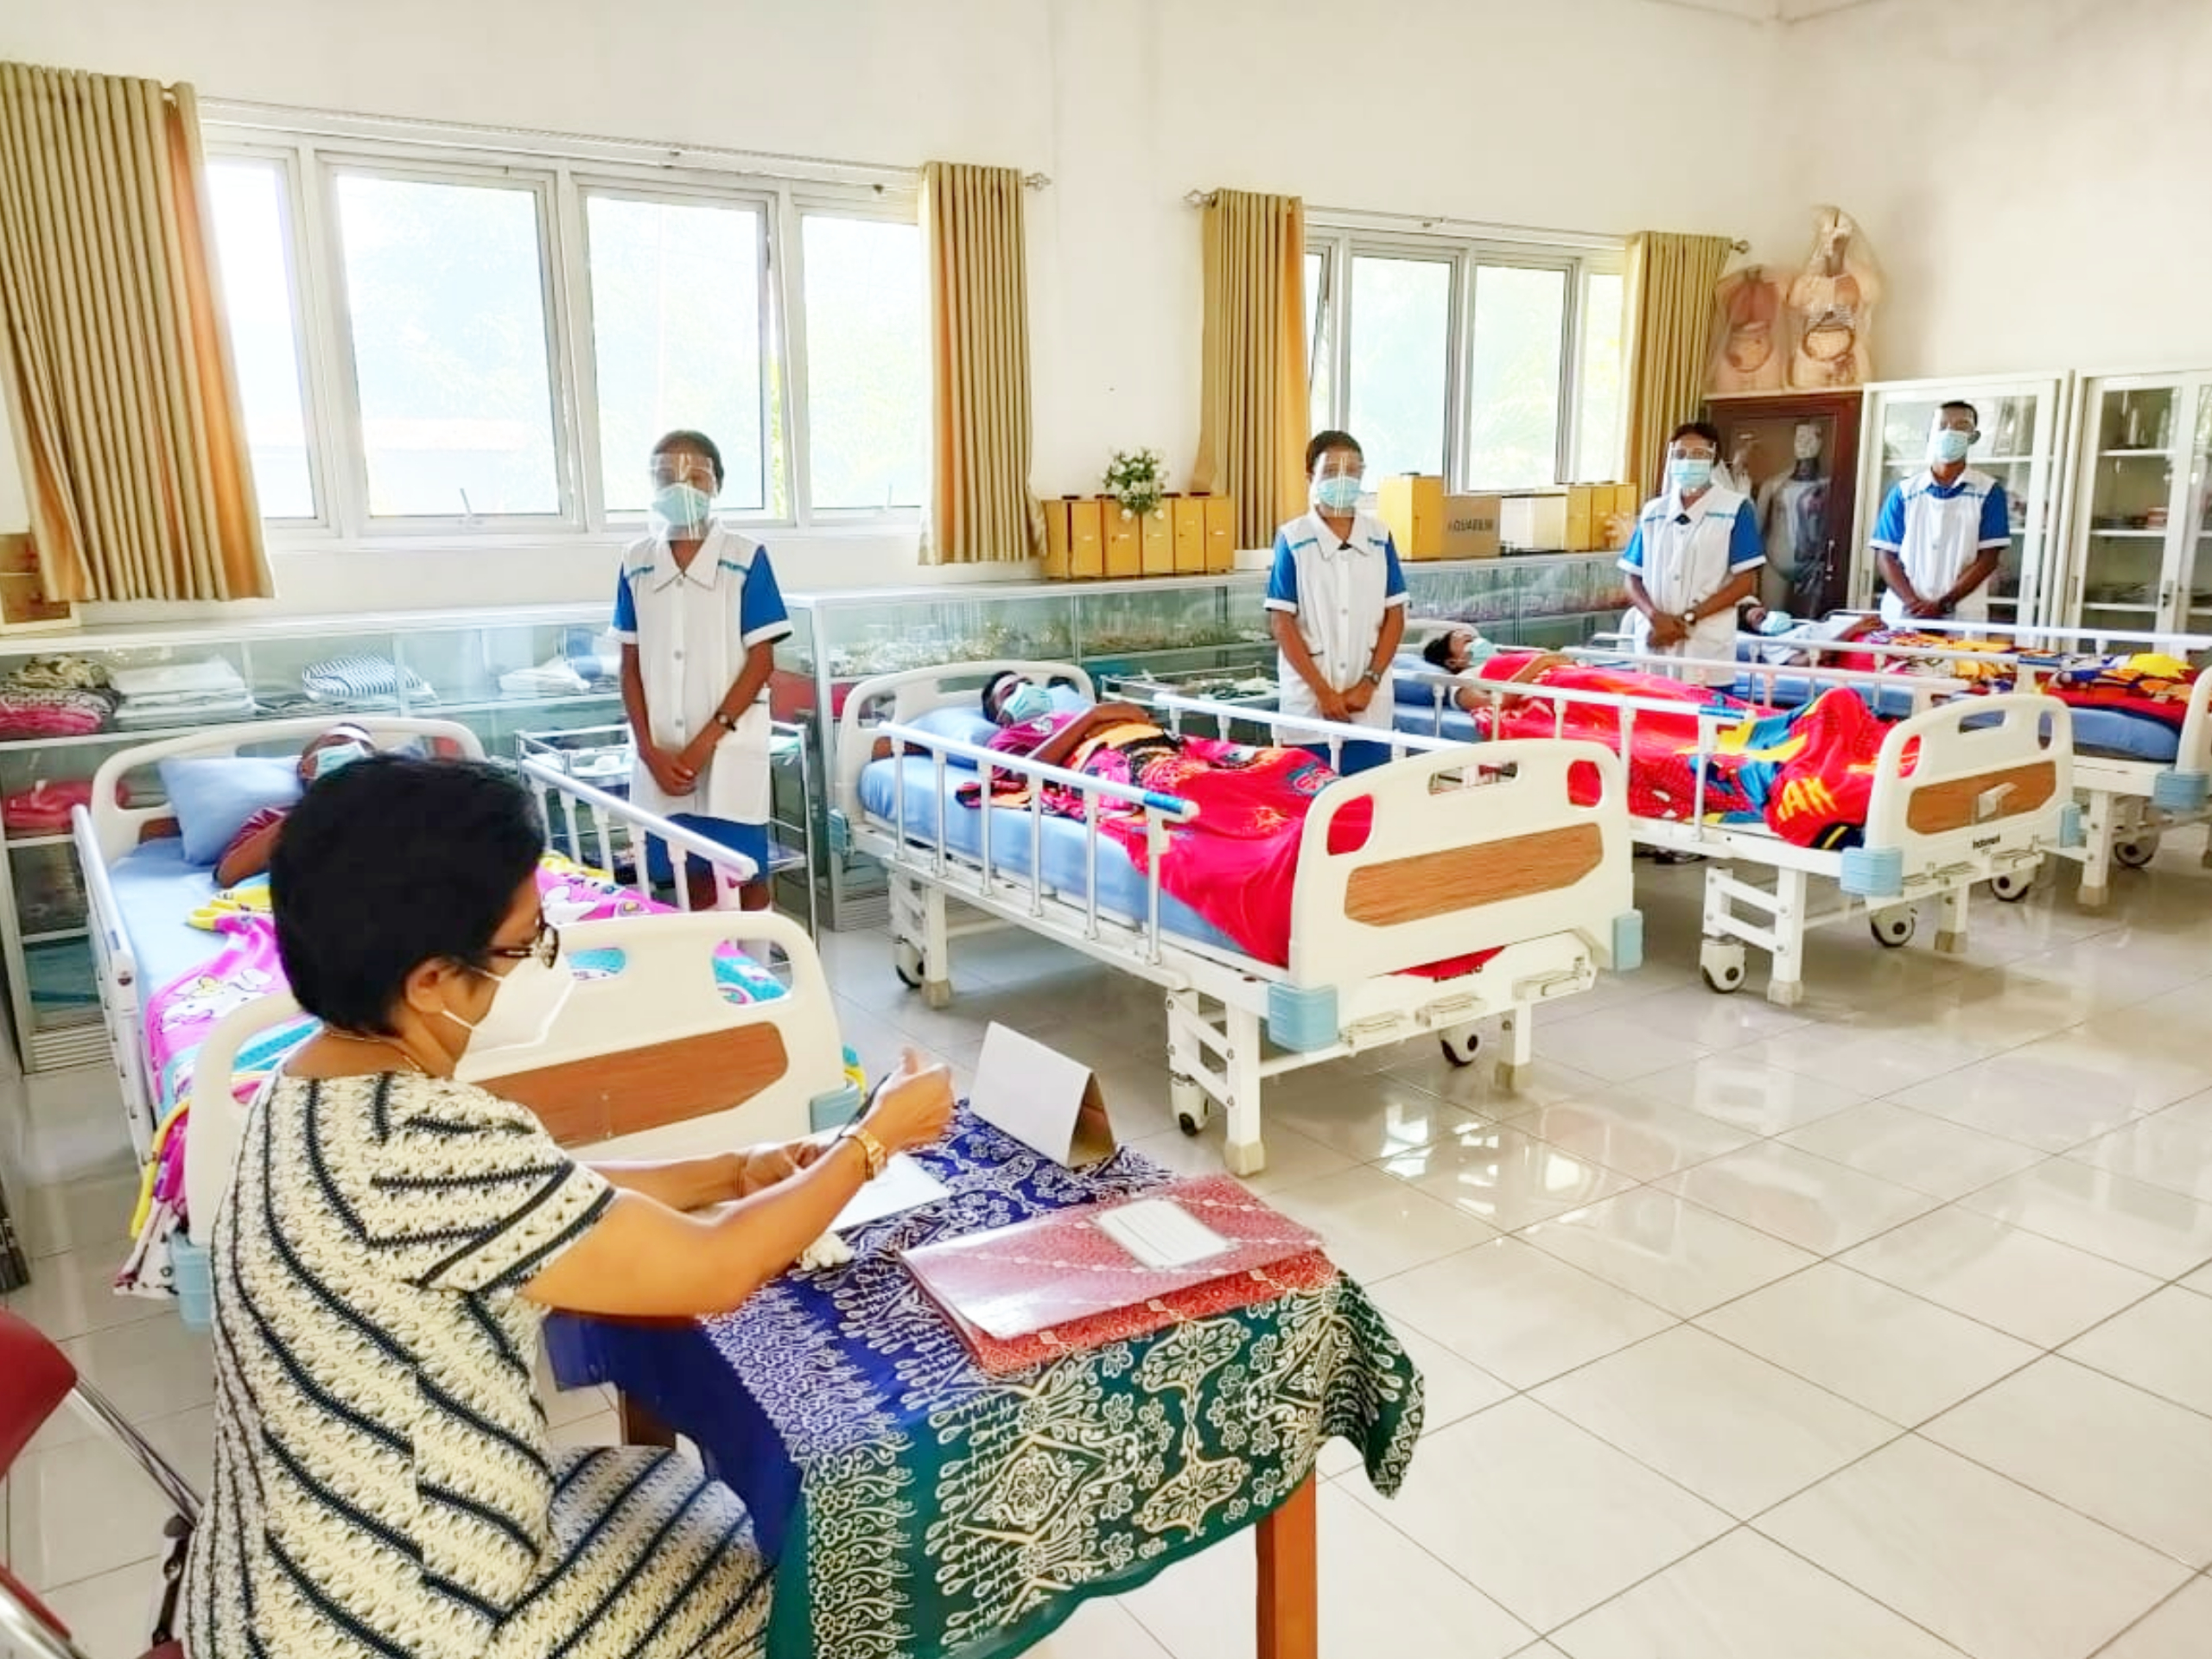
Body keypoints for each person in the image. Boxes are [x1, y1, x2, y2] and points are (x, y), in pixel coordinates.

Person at [185, 754, 954, 1659]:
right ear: (432, 980)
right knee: (820, 1586)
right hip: (406, 1618)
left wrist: (731, 1166)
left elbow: (549, 1200)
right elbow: (712, 1272)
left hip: (287, 1575)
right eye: (525, 944)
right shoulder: (424, 1140)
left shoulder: (312, 1086)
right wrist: (873, 1143)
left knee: (676, 1492)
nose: (548, 964)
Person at [614, 429, 791, 912]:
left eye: (694, 476)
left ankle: (754, 978)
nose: (680, 487)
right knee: (686, 875)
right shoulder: (635, 562)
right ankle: (710, 978)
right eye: (667, 477)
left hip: (727, 747)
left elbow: (761, 661)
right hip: (661, 757)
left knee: (745, 874)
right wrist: (650, 750)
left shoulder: (746, 558)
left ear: (716, 486)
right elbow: (629, 666)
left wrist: (702, 745)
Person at [1265, 430, 1408, 774]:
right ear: (1309, 476)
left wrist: (1369, 683)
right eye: (1330, 472)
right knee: (1313, 802)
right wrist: (1323, 692)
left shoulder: (1379, 537)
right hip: (1310, 705)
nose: (1343, 480)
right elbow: (1281, 623)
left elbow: (1395, 616)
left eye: (1353, 470)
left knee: (1366, 801)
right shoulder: (1294, 538)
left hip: (1368, 704)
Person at [1619, 422, 1766, 685]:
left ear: (1714, 459)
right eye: (1680, 455)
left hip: (1705, 642)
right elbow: (1632, 578)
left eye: (1698, 455)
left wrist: (1687, 618)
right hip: (1656, 638)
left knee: (1707, 719)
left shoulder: (1735, 509)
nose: (1688, 461)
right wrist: (1655, 617)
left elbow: (1745, 582)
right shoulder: (1654, 512)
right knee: (1651, 716)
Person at [1870, 401, 2011, 626]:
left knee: (1961, 663)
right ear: (1930, 435)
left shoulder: (1989, 492)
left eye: (1961, 426)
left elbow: (1988, 559)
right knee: (1897, 661)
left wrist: (1944, 603)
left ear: (1973, 437)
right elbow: (1886, 556)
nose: (1950, 432)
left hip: (1961, 614)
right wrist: (1913, 603)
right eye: (1942, 425)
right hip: (1905, 612)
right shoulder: (1904, 492)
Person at [212, 722, 376, 887]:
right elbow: (228, 876)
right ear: (303, 768)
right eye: (337, 744)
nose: (355, 752)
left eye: (365, 749)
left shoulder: (392, 810)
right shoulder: (273, 818)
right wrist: (316, 807)